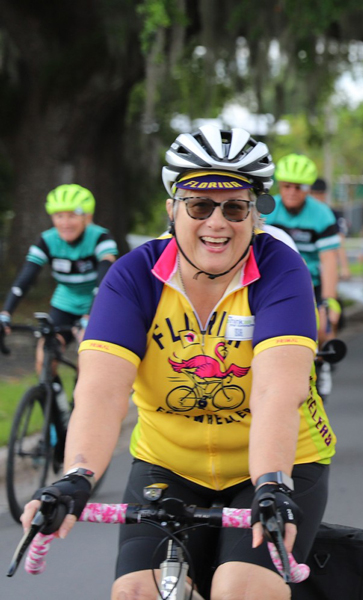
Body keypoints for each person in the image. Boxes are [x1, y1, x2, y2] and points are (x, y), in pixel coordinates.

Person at [19, 125, 335, 600]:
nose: (217, 223)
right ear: (172, 209)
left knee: (241, 590)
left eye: (235, 207)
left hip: (279, 465)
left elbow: (276, 391)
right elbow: (102, 391)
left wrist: (272, 482)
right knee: (135, 594)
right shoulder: (133, 276)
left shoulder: (280, 270)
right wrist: (76, 476)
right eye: (200, 205)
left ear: (255, 215)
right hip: (167, 464)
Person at [1, 184, 118, 394]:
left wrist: (90, 315)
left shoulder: (101, 238)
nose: (65, 223)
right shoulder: (48, 240)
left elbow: (105, 281)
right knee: (44, 358)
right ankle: (57, 410)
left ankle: (80, 405)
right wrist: (6, 312)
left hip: (98, 303)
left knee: (88, 358)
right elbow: (25, 278)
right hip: (65, 302)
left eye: (72, 216)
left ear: (87, 217)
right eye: (59, 216)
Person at [263, 154, 343, 394]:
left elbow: (329, 260)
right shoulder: (267, 209)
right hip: (275, 279)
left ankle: (322, 365)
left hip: (312, 280)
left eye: (299, 187)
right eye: (286, 186)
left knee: (323, 325)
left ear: (308, 189)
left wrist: (329, 300)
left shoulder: (322, 214)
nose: (292, 192)